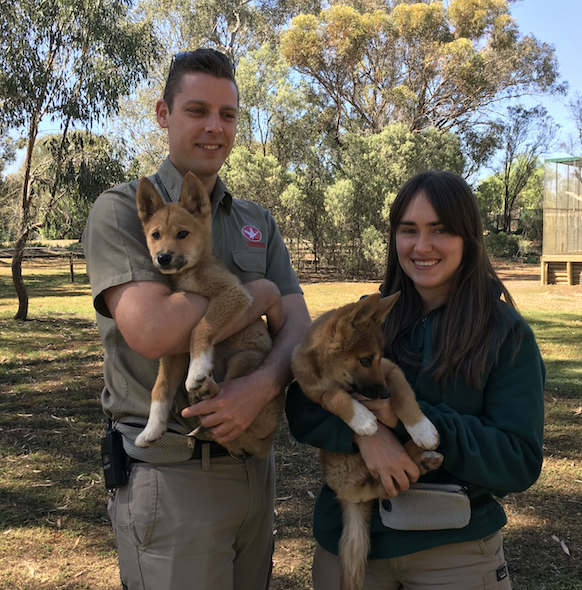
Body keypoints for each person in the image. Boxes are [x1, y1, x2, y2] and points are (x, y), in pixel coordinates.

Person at [83, 48, 311, 590]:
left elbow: (299, 326)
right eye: (197, 110)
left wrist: (260, 385)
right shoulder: (122, 211)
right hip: (172, 471)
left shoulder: (257, 221)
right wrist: (255, 293)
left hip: (255, 466)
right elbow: (153, 331)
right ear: (163, 113)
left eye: (227, 115)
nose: (214, 128)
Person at [285, 170, 545, 589]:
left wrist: (416, 423)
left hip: (454, 552)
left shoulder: (504, 332)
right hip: (350, 546)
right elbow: (301, 405)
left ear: (468, 237)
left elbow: (518, 460)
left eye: (440, 230)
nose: (422, 246)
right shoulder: (368, 318)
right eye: (409, 230)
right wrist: (365, 436)